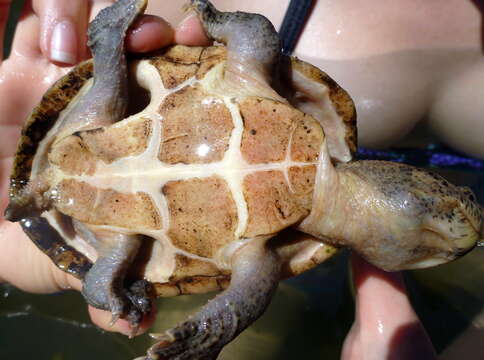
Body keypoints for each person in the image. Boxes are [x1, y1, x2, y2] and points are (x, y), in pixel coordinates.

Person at [5, 0, 482, 358]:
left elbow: (253, 38)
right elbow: (241, 303)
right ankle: (108, 42)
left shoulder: (259, 255)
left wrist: (191, 336)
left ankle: (107, 42)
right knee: (111, 271)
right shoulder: (259, 255)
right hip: (100, 159)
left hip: (104, 193)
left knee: (105, 275)